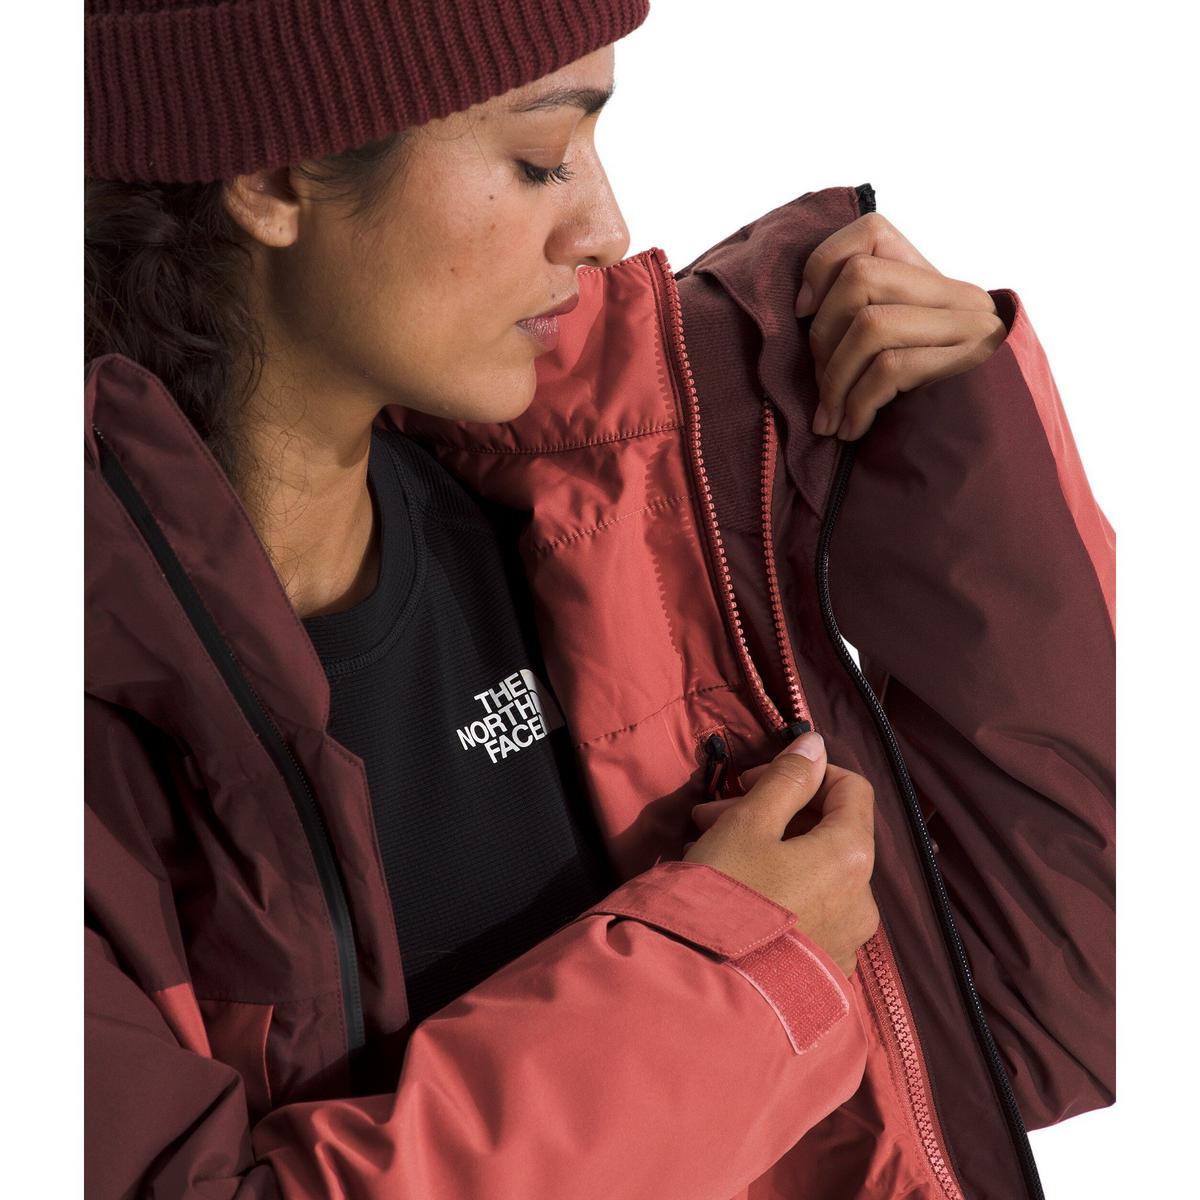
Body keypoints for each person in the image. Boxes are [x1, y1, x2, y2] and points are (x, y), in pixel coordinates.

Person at [85, 3, 1114, 1197]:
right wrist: (732, 979)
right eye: (539, 158)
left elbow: (1045, 1017)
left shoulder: (612, 535)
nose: (604, 227)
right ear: (272, 175)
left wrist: (965, 462)